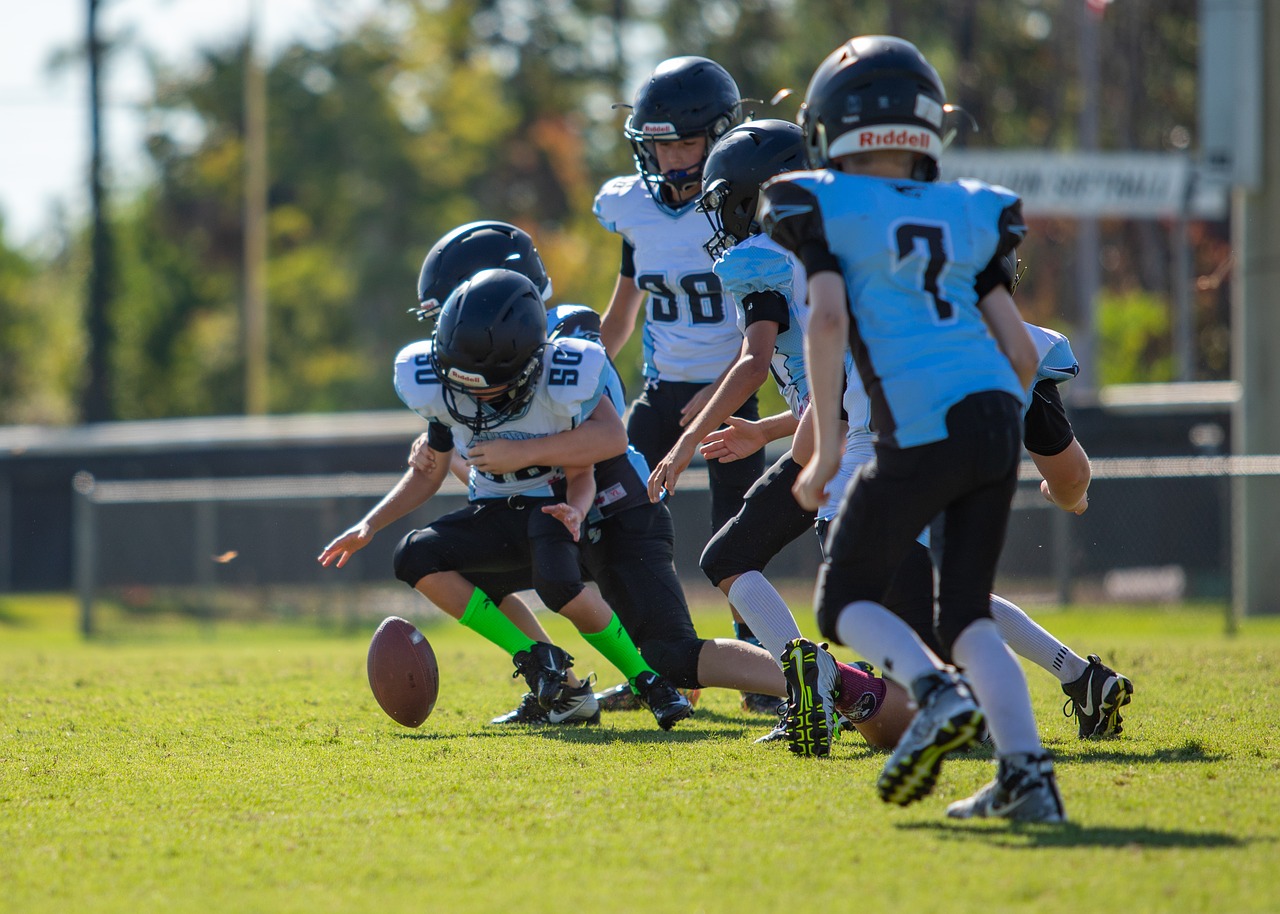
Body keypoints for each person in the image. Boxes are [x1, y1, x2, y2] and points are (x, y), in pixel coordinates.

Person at [679, 120, 1133, 750]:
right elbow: (1069, 475)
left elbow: (823, 407)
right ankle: (1072, 683)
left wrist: (807, 465)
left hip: (870, 487)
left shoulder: (859, 296)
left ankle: (883, 699)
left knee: (899, 680)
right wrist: (1061, 493)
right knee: (952, 611)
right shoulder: (1009, 335)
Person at [404, 220, 913, 747]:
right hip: (544, 519)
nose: (446, 328)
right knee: (443, 564)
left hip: (610, 513)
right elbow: (493, 477)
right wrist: (443, 454)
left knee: (671, 655)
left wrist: (514, 453)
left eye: (455, 308)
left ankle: (836, 683)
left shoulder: (567, 341)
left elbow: (602, 440)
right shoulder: (469, 372)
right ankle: (559, 686)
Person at [763, 35, 1066, 821]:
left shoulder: (815, 200)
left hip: (920, 426)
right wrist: (998, 427)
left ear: (830, 126)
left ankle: (933, 693)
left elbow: (826, 317)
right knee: (963, 613)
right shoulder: (971, 208)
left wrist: (826, 451)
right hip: (997, 416)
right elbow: (1022, 350)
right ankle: (1029, 779)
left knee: (842, 603)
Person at [319, 267, 693, 731]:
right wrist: (370, 524)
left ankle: (649, 681)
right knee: (414, 554)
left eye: (484, 383)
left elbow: (592, 461)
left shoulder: (560, 380)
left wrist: (573, 506)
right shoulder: (442, 387)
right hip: (494, 515)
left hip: (547, 511)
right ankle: (538, 661)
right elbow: (430, 470)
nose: (469, 397)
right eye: (459, 383)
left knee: (557, 582)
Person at [594, 56, 775, 704]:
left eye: (685, 141)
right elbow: (620, 317)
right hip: (661, 391)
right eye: (659, 142)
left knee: (737, 538)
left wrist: (721, 389)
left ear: (722, 134)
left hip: (731, 393)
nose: (670, 158)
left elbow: (768, 323)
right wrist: (587, 380)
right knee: (616, 522)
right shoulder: (634, 211)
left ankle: (760, 672)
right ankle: (659, 664)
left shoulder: (741, 205)